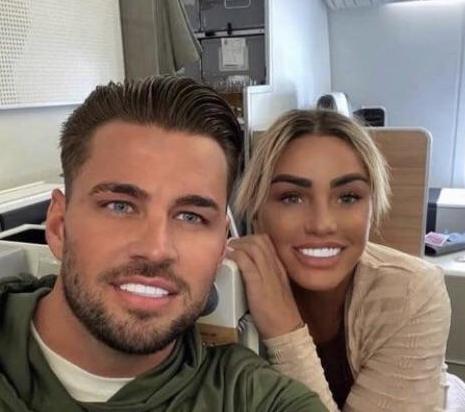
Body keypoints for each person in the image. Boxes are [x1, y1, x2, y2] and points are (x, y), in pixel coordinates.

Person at [0, 77, 326, 412]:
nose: (156, 250)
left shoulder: (257, 400)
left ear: (221, 249)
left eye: (190, 217)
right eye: (120, 206)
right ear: (59, 226)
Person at [228, 109, 451, 411]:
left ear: (372, 208)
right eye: (292, 197)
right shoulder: (226, 286)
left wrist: (285, 334)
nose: (322, 224)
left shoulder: (412, 292)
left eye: (348, 197)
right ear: (255, 211)